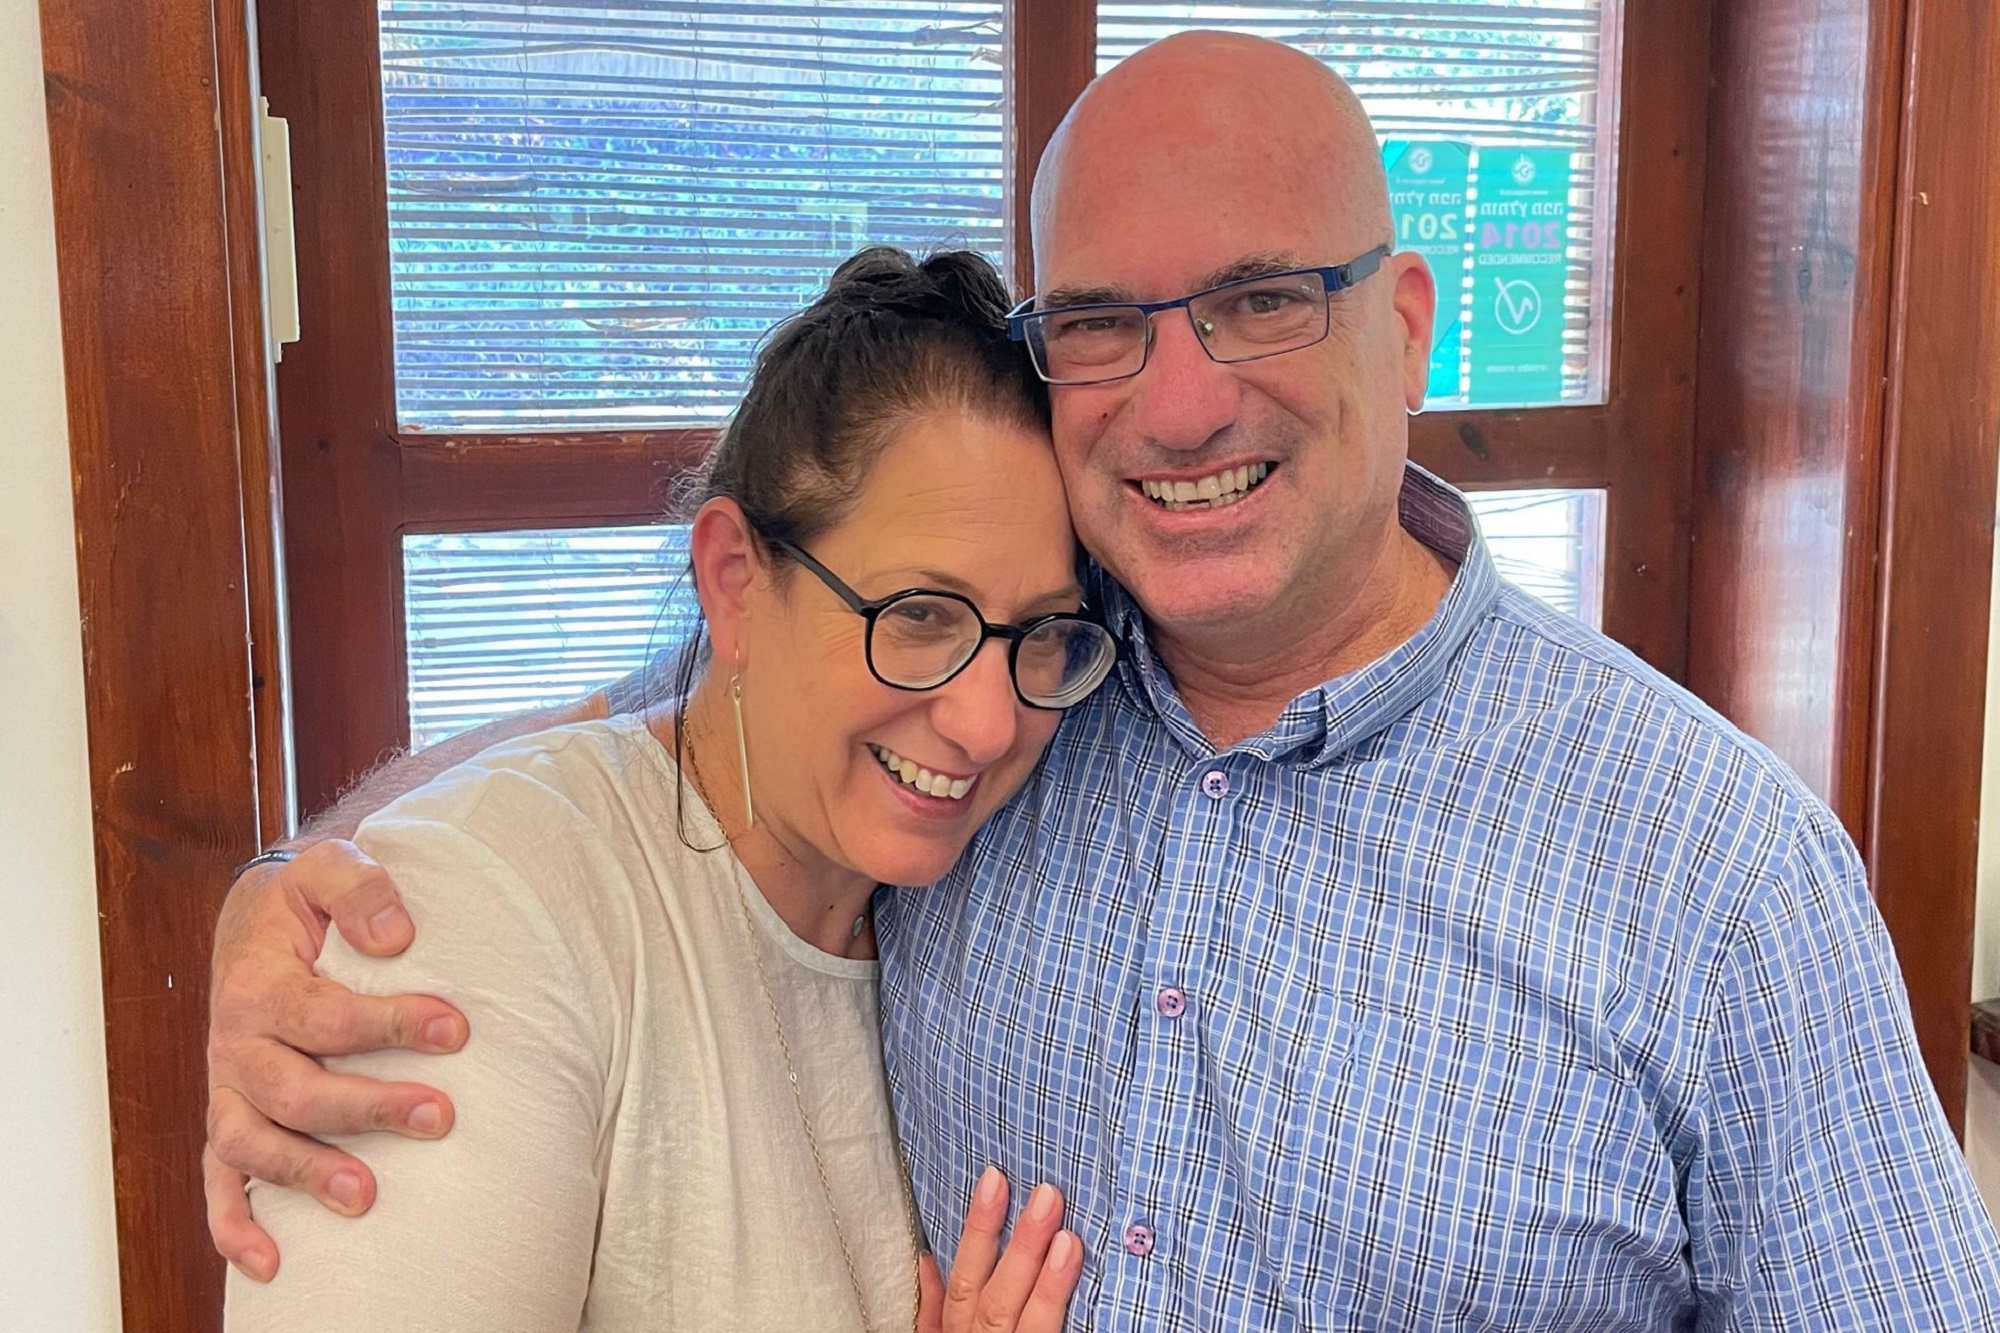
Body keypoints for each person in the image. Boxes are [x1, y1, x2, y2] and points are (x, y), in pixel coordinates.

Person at [208, 31, 2000, 1330]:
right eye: (1102, 324)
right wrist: (318, 894)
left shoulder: (1723, 873)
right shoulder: (1011, 673)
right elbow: (675, 730)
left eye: (1264, 298)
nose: (1180, 398)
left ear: (1407, 321)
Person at [220, 247, 1101, 1331]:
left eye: (1041, 633)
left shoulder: (947, 900)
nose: (988, 721)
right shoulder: (479, 921)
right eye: (918, 614)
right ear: (734, 579)